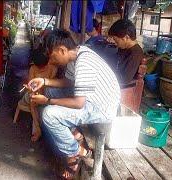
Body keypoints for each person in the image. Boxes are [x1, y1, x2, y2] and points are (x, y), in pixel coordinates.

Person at [27, 29, 120, 179]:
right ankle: (75, 134)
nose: (51, 62)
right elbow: (69, 82)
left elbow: (78, 103)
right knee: (49, 91)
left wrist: (48, 102)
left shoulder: (84, 62)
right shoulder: (77, 54)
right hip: (90, 99)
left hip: (101, 108)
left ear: (62, 50)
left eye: (52, 57)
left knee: (49, 114)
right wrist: (44, 81)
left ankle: (74, 153)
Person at [19, 48, 57, 142]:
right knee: (33, 100)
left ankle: (42, 129)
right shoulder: (33, 68)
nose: (42, 69)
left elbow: (50, 85)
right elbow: (31, 84)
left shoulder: (53, 68)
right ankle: (37, 129)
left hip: (46, 93)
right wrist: (30, 88)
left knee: (45, 98)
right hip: (34, 93)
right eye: (39, 67)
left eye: (44, 66)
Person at [108, 19, 144, 86]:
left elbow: (124, 80)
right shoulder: (123, 48)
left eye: (115, 40)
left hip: (122, 89)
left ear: (126, 37)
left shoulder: (135, 54)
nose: (114, 42)